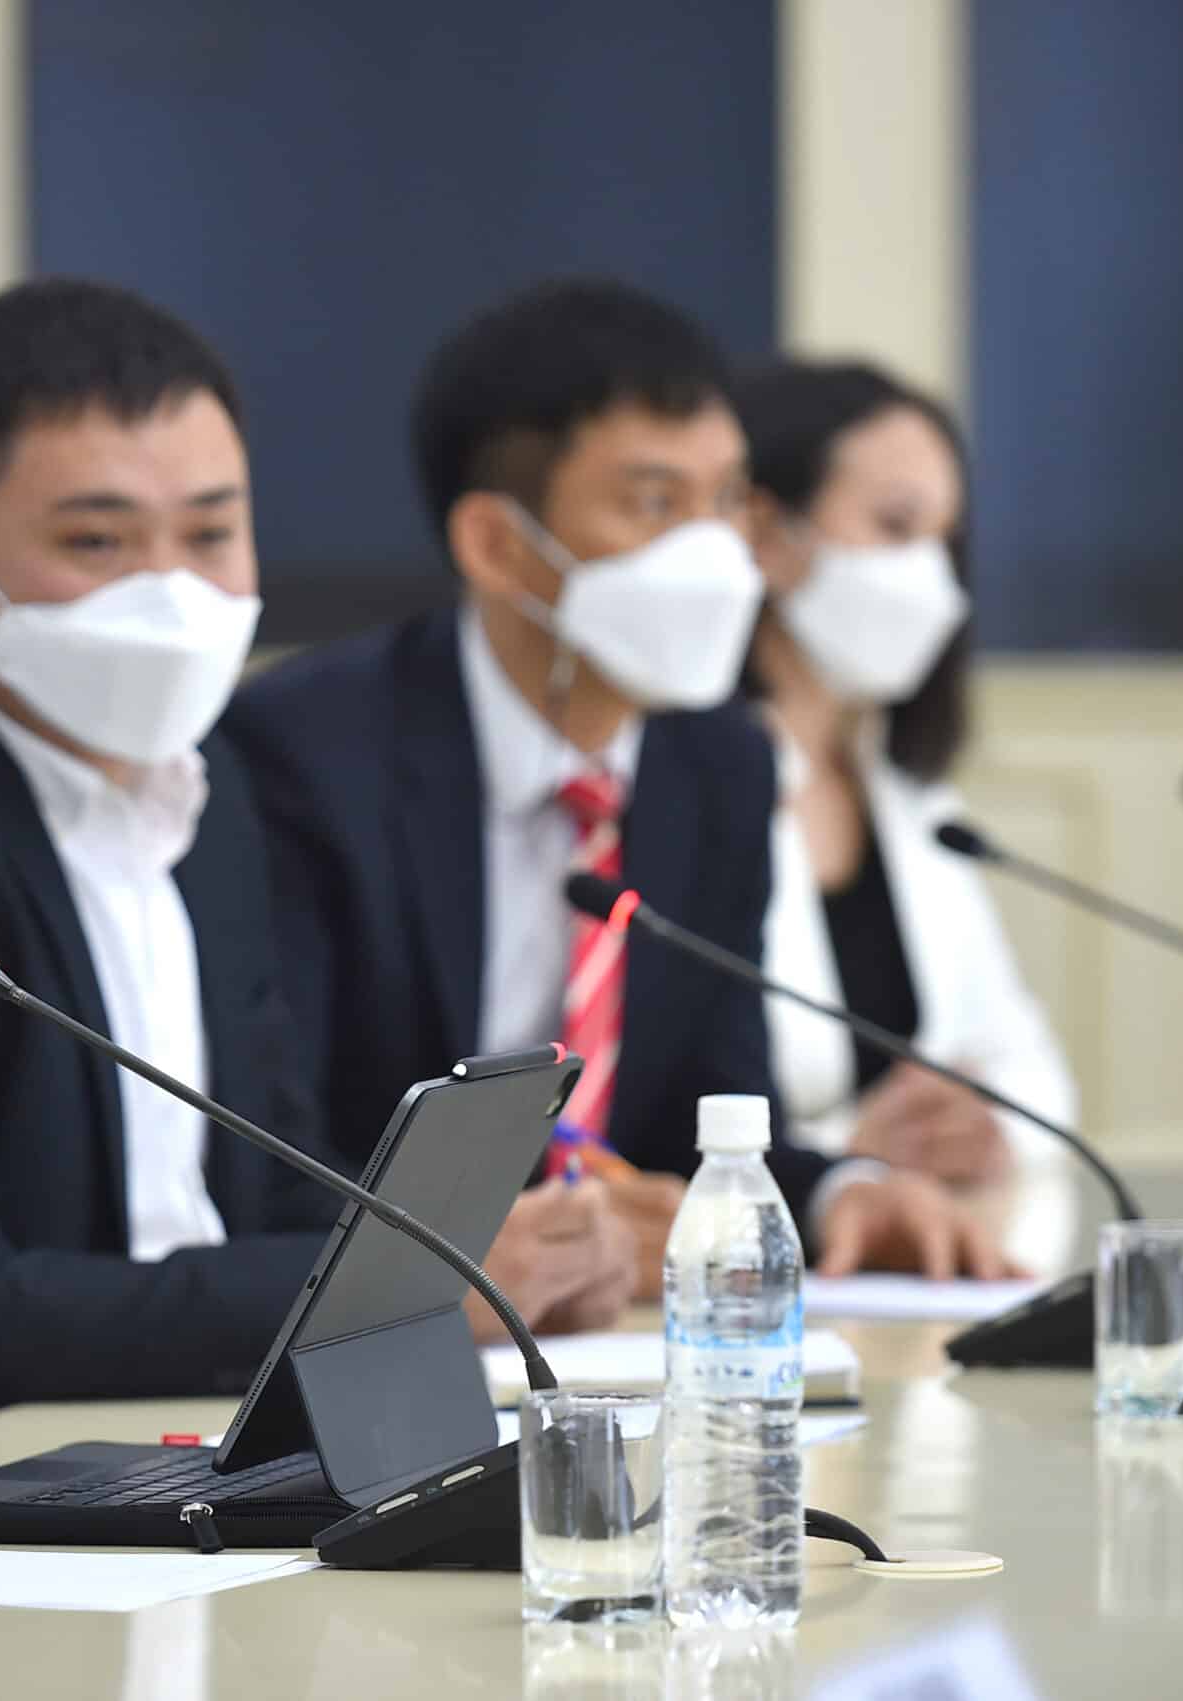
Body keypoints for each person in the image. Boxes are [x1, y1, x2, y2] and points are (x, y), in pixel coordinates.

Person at [0, 280, 634, 1435]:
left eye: (210, 534)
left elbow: (268, 1183)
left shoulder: (208, 785)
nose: (169, 592)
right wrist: (395, 1289)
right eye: (96, 541)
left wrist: (479, 1259)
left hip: (193, 1445)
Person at [225, 280, 1015, 1297]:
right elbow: (269, 1155)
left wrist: (840, 1195)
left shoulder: (720, 765)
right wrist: (470, 1251)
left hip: (614, 1336)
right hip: (398, 1330)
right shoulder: (307, 755)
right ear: (499, 546)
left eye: (725, 501)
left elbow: (712, 1122)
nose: (715, 553)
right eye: (654, 504)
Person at [734, 360, 1078, 1232]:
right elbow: (642, 1124)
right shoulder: (678, 791)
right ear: (766, 531)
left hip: (926, 1250)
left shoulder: (904, 788)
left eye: (943, 539)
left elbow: (1033, 1069)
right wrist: (845, 1158)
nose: (929, 574)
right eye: (895, 526)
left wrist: (987, 1128)